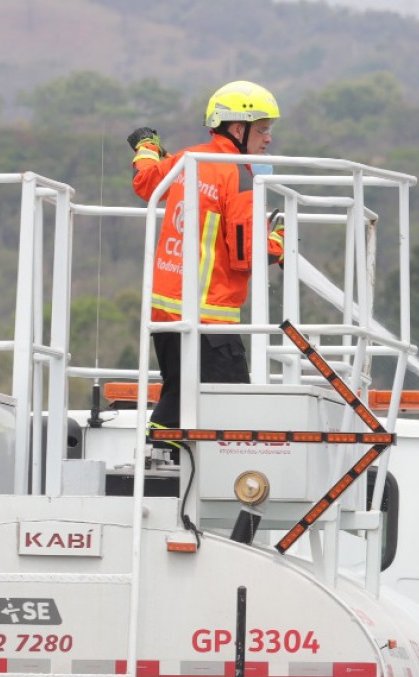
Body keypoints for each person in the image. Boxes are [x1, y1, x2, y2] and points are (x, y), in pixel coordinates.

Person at [128, 81, 287, 426]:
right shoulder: (241, 178)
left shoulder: (187, 160)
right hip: (209, 317)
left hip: (166, 311)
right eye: (262, 129)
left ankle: (160, 459)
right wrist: (279, 242)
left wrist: (146, 148)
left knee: (179, 395)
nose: (268, 139)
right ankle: (159, 455)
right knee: (232, 412)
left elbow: (145, 183)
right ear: (237, 128)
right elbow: (247, 255)